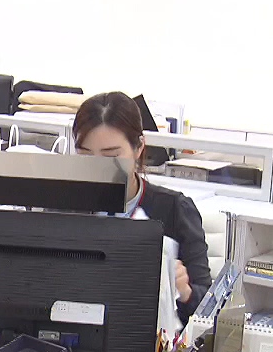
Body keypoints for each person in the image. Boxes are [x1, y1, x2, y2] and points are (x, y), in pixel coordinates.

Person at [72, 91, 212, 323]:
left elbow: (207, 306)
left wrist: (184, 290)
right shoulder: (64, 206)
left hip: (149, 338)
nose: (98, 168)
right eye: (85, 155)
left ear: (138, 148)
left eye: (111, 156)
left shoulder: (175, 209)